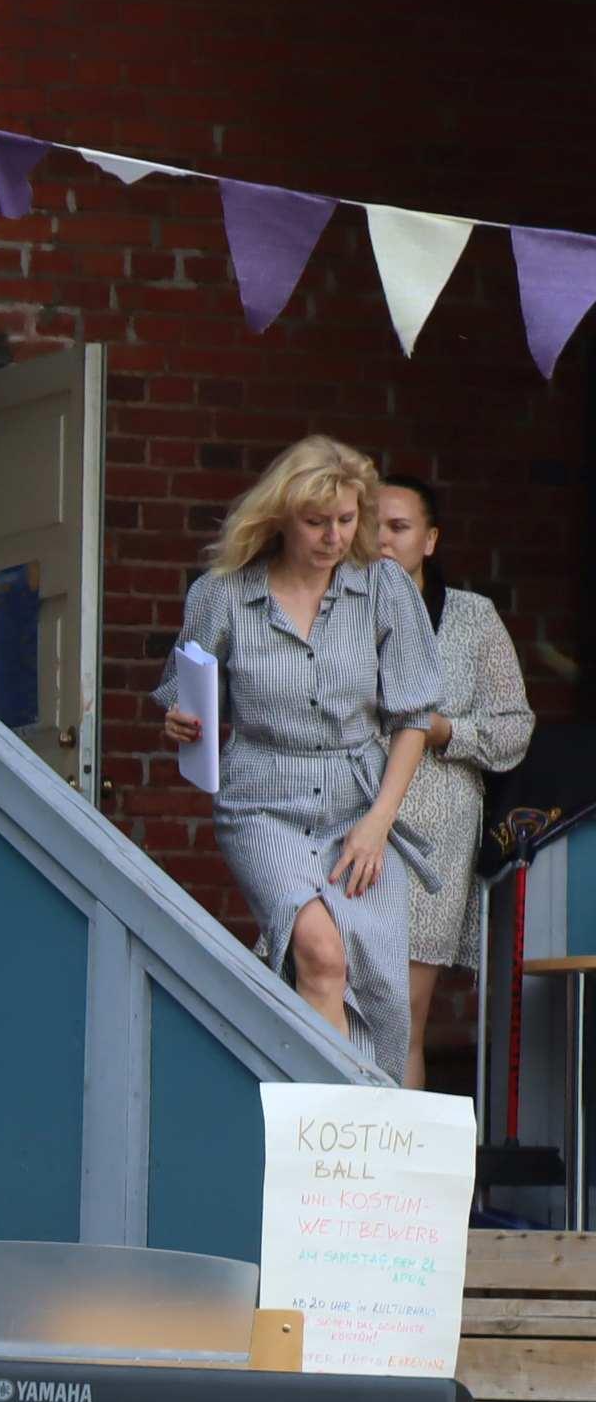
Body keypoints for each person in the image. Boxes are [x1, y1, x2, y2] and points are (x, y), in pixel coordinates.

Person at [162, 437, 441, 1082]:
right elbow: (185, 692)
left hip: (359, 804)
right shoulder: (224, 594)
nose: (333, 537)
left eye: (346, 520)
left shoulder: (383, 588)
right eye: (316, 522)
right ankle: (331, 1122)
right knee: (319, 953)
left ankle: (349, 1126)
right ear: (281, 516)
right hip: (262, 802)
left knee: (381, 995)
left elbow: (413, 718)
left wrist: (377, 824)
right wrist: (180, 719)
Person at [370, 473, 536, 1086]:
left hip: (435, 838)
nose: (382, 540)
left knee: (404, 1016)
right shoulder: (336, 608)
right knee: (331, 1000)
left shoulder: (472, 618)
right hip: (347, 821)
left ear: (430, 539)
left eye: (399, 527)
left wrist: (446, 732)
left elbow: (514, 728)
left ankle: (396, 1149)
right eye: (371, 526)